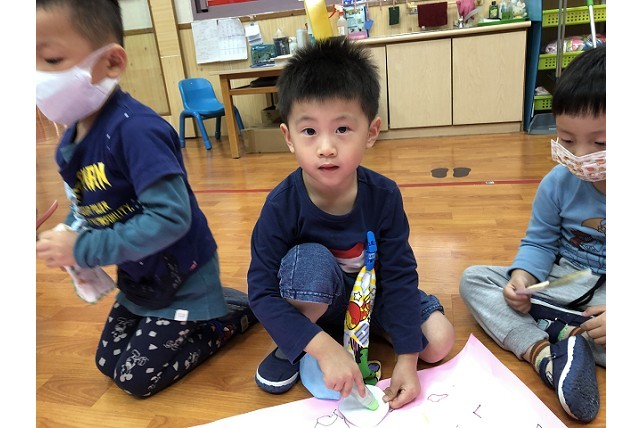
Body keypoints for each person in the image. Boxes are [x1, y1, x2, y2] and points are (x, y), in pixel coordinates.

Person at [35, 0, 256, 398]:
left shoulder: (136, 131)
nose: (37, 77)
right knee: (107, 362)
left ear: (111, 62)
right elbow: (84, 206)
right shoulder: (69, 144)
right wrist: (65, 234)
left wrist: (82, 248)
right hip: (141, 278)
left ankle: (228, 317)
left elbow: (171, 218)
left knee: (135, 380)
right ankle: (211, 308)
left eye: (51, 59)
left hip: (183, 277)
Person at [247, 37, 455, 410]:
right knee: (309, 263)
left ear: (371, 132)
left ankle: (363, 334)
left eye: (342, 129)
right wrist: (322, 347)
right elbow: (260, 292)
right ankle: (302, 341)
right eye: (309, 131)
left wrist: (407, 359)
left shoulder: (384, 195)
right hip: (319, 306)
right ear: (289, 137)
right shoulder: (281, 205)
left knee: (439, 341)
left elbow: (400, 274)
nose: (326, 147)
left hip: (374, 297)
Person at [459, 45, 606, 423]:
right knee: (474, 280)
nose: (581, 155)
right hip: (562, 282)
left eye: (601, 144)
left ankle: (562, 333)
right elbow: (540, 242)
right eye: (567, 140)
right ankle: (545, 354)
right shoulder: (557, 183)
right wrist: (523, 278)